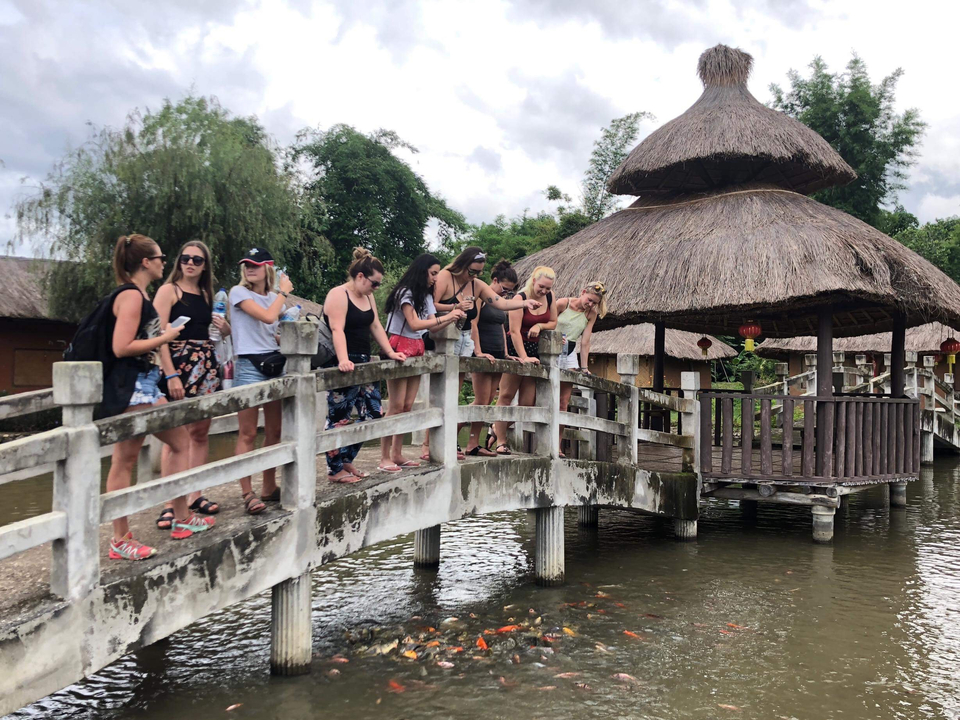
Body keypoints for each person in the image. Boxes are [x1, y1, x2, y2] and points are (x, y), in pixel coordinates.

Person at [103, 234, 215, 561]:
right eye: (161, 257)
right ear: (145, 262)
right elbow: (121, 347)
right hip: (132, 386)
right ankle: (119, 539)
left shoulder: (141, 294)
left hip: (147, 385)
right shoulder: (132, 297)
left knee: (180, 442)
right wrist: (165, 337)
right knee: (124, 459)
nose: (166, 262)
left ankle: (182, 518)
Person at [427, 247, 542, 460]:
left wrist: (524, 302)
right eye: (472, 271)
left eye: (479, 272)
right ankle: (431, 444)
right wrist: (457, 307)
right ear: (462, 264)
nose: (475, 276)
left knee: (486, 400)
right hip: (446, 341)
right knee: (452, 395)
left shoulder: (476, 285)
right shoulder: (445, 276)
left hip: (475, 347)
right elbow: (432, 305)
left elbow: (502, 304)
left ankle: (472, 443)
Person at [153, 240, 229, 529]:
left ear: (205, 265)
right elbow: (157, 334)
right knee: (175, 435)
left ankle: (194, 494)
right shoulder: (168, 291)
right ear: (178, 261)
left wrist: (226, 328)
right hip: (177, 361)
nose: (191, 263)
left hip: (205, 362)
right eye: (186, 258)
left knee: (200, 431)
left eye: (197, 260)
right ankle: (171, 502)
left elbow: (218, 332)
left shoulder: (208, 294)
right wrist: (170, 374)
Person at [323, 248, 406, 483]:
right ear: (360, 276)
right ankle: (334, 470)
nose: (376, 288)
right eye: (375, 283)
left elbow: (376, 326)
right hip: (341, 361)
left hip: (365, 360)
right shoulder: (338, 295)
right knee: (339, 416)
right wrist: (342, 359)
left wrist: (390, 352)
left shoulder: (367, 296)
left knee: (372, 413)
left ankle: (346, 459)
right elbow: (337, 328)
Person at [378, 254, 464, 471]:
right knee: (395, 406)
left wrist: (452, 317)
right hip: (399, 346)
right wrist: (447, 316)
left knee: (407, 406)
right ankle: (384, 457)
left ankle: (397, 454)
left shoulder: (426, 296)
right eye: (433, 273)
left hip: (417, 347)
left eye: (437, 273)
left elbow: (431, 328)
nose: (435, 278)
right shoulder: (404, 293)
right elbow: (415, 323)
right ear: (422, 270)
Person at [229, 247, 294, 515]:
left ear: (267, 267)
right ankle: (247, 492)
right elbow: (268, 316)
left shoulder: (272, 298)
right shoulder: (238, 293)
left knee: (274, 432)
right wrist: (284, 293)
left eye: (255, 265)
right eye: (246, 264)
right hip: (248, 365)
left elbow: (272, 329)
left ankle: (269, 486)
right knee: (247, 432)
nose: (249, 269)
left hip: (273, 362)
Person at [492, 266, 558, 455]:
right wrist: (523, 357)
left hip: (535, 350)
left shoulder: (550, 297)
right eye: (542, 287)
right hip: (516, 347)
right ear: (534, 280)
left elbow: (553, 322)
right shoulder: (519, 298)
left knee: (528, 402)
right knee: (506, 395)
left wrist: (539, 325)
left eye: (547, 288)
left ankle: (496, 428)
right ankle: (501, 441)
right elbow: (513, 330)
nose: (544, 291)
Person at [464, 259, 519, 456]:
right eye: (504, 289)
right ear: (494, 280)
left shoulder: (500, 303)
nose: (505, 294)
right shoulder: (481, 296)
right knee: (480, 400)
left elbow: (502, 329)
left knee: (487, 401)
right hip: (482, 352)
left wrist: (506, 353)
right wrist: (478, 352)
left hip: (497, 353)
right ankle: (452, 431)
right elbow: (473, 324)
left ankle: (473, 444)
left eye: (509, 292)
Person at [555, 281, 607, 457]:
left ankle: (557, 445)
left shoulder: (591, 314)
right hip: (551, 348)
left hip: (570, 352)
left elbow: (585, 341)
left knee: (563, 403)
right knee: (539, 397)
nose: (590, 304)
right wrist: (554, 337)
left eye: (594, 303)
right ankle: (497, 429)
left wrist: (584, 367)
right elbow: (546, 323)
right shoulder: (563, 303)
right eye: (589, 300)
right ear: (583, 292)